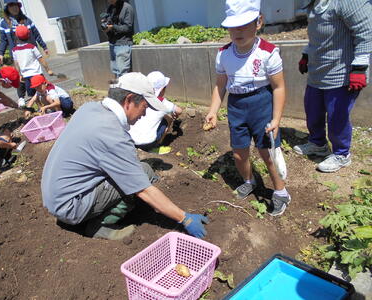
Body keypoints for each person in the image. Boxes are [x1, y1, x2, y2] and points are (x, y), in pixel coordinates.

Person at [41, 72, 209, 240]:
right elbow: (143, 189)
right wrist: (184, 218)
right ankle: (100, 225)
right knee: (144, 172)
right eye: (144, 107)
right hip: (71, 206)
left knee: (133, 171)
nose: (144, 114)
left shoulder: (89, 108)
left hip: (55, 195)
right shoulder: (113, 135)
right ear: (128, 100)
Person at [205, 0, 291, 216]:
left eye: (244, 25)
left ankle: (280, 192)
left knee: (267, 152)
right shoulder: (223, 53)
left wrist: (276, 119)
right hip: (236, 106)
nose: (237, 31)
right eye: (232, 26)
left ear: (258, 22)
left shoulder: (268, 52)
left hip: (261, 104)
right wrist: (213, 110)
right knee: (239, 152)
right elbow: (220, 85)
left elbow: (279, 87)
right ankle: (249, 180)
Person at [293, 0, 372, 173]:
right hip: (317, 72)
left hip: (341, 74)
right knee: (313, 111)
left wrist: (359, 68)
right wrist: (306, 54)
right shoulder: (314, 4)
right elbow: (316, 36)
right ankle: (318, 144)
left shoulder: (347, 2)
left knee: (338, 116)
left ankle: (342, 154)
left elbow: (366, 33)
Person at [0, 0, 49, 107]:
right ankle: (21, 97)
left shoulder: (26, 20)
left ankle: (39, 96)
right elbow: (3, 40)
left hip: (30, 53)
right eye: (11, 5)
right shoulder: (3, 23)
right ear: (7, 8)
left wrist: (44, 46)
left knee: (35, 75)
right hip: (17, 54)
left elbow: (36, 34)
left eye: (16, 5)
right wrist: (1, 53)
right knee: (20, 76)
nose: (14, 8)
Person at [129, 71, 183, 149]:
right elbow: (179, 110)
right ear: (162, 90)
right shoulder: (162, 102)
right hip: (148, 143)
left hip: (131, 140)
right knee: (167, 119)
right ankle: (157, 145)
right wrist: (175, 114)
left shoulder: (138, 97)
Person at [12, 25, 53, 105]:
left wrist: (19, 74)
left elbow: (16, 64)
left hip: (26, 76)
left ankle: (40, 109)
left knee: (33, 96)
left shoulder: (14, 50)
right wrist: (48, 70)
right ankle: (50, 106)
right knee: (45, 92)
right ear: (28, 35)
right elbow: (41, 59)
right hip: (37, 74)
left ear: (16, 36)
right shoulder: (32, 47)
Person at [101, 0, 134, 78]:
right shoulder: (111, 7)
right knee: (115, 71)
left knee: (122, 73)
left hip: (123, 43)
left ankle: (123, 89)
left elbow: (128, 28)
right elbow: (109, 22)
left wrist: (113, 27)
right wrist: (106, 26)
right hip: (112, 43)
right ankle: (118, 89)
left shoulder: (127, 8)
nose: (109, 1)